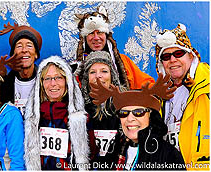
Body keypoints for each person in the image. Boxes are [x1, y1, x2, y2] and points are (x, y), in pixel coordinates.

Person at [91, 73, 185, 170]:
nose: (130, 118)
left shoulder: (168, 155)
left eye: (138, 112)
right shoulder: (113, 151)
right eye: (124, 113)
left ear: (150, 116)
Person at [24, 55, 97, 170]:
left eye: (58, 77)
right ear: (41, 84)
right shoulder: (34, 120)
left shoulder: (80, 119)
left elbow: (91, 156)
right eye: (47, 78)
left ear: (67, 82)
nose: (53, 83)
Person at [155, 23, 210, 170]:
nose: (172, 60)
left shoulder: (207, 88)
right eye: (166, 56)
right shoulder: (159, 96)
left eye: (178, 53)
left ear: (191, 56)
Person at [74, 6, 155, 90]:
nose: (96, 37)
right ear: (85, 39)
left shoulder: (124, 62)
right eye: (91, 33)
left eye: (100, 32)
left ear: (106, 36)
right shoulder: (77, 69)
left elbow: (148, 85)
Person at [78, 51, 127, 169]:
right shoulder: (79, 109)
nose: (98, 76)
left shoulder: (126, 106)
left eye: (104, 71)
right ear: (86, 79)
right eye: (92, 72)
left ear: (112, 76)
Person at [0, 22, 42, 115]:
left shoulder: (46, 82)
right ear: (13, 55)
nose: (24, 50)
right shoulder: (4, 85)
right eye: (19, 46)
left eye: (29, 46)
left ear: (36, 54)